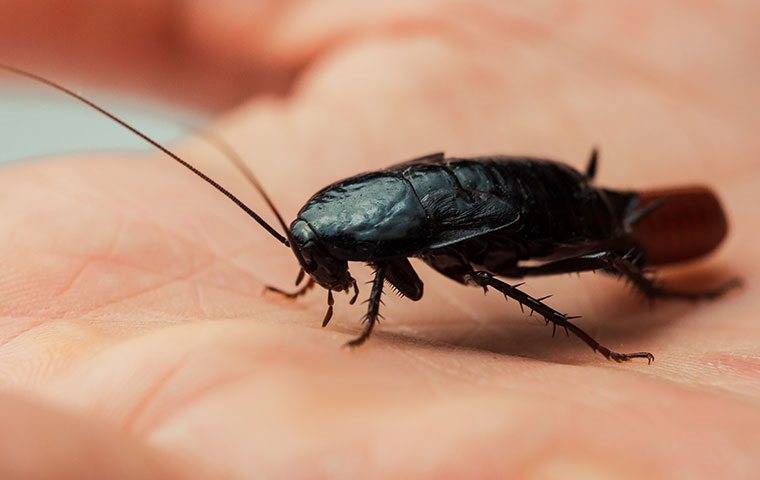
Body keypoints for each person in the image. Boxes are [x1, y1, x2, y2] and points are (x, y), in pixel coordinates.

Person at [0, 1, 757, 478]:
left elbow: (404, 265)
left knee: (540, 263)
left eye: (318, 259)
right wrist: (318, 276)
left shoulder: (396, 240)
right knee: (497, 268)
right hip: (496, 191)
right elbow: (373, 254)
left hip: (535, 205)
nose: (320, 265)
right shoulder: (376, 233)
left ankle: (652, 294)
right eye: (313, 260)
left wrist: (361, 316)